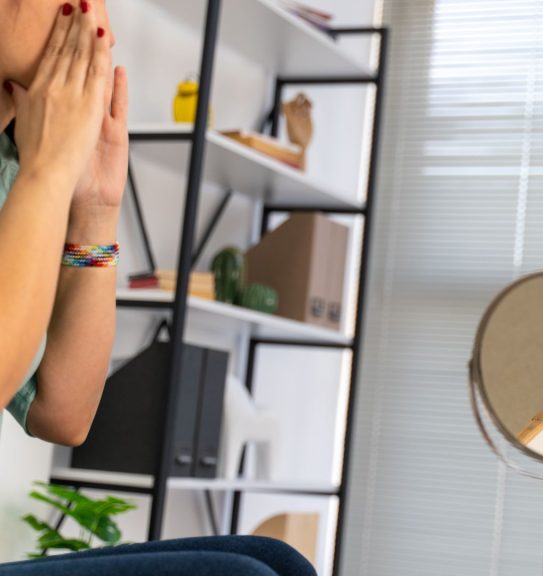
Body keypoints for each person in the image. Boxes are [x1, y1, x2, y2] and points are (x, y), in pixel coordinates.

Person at [0, 2, 314, 574]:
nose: (101, 28)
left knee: (275, 560)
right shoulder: (31, 172)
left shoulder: (11, 163)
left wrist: (96, 209)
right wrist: (47, 172)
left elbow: (63, 413)